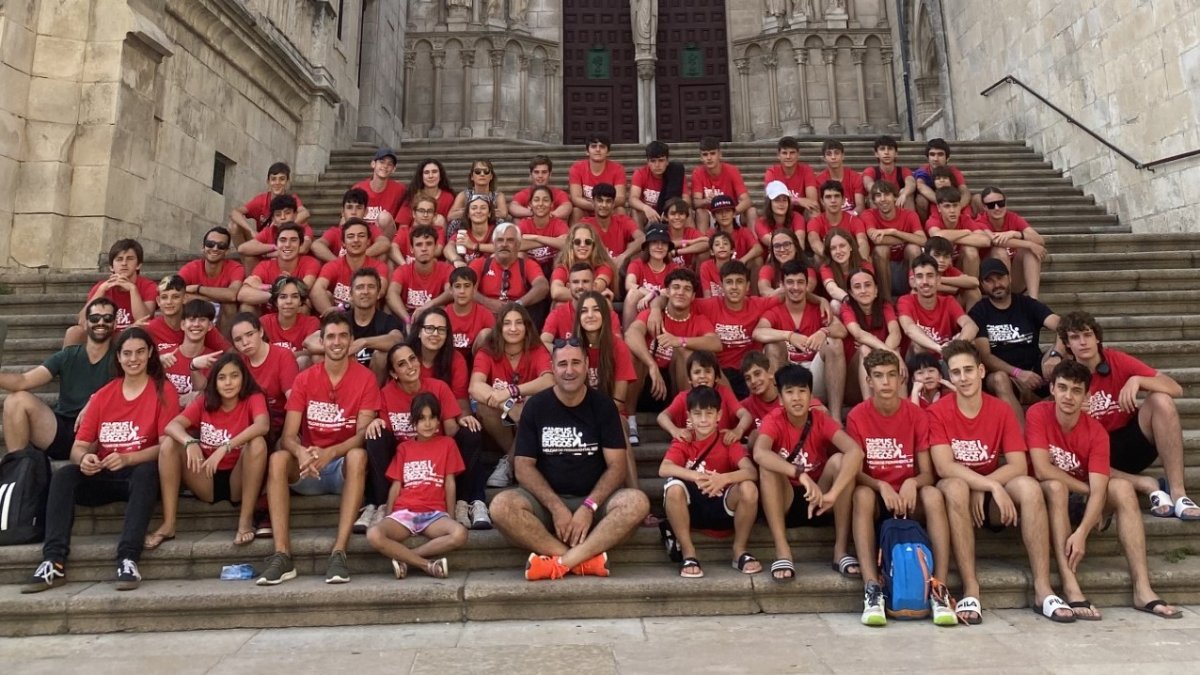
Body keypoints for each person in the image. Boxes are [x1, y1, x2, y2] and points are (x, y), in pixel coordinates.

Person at [21, 327, 179, 593]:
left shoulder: (163, 391)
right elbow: (78, 447)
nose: (133, 359)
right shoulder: (104, 394)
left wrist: (129, 458)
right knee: (64, 475)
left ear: (150, 353)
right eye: (127, 353)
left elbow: (167, 448)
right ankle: (53, 560)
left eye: (140, 352)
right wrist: (85, 458)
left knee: (147, 471)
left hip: (139, 475)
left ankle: (128, 558)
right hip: (104, 472)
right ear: (118, 357)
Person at [930, 340, 1073, 624]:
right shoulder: (938, 412)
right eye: (956, 372)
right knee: (957, 486)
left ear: (982, 371)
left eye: (969, 370)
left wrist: (989, 485)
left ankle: (1043, 589)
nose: (963, 378)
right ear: (949, 377)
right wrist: (988, 485)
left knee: (1030, 487)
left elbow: (1019, 464)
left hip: (987, 496)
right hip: (954, 495)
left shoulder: (1001, 409)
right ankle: (971, 588)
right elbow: (945, 467)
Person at [1029, 360, 1183, 620]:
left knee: (1122, 488)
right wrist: (1086, 490)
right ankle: (1070, 585)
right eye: (1063, 388)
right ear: (1052, 389)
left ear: (1086, 396)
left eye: (1076, 390)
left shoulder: (1096, 432)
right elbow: (1043, 470)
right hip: (1048, 498)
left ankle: (1142, 588)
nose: (1068, 396)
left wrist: (1081, 533)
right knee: (1055, 487)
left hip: (1084, 499)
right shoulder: (1037, 414)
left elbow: (1100, 489)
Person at [488, 339, 651, 580]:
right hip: (545, 504)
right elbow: (522, 468)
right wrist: (555, 507)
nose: (569, 370)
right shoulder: (536, 407)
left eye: (576, 362)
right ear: (553, 368)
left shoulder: (604, 406)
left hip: (593, 503)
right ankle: (582, 560)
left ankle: (562, 562)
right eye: (562, 364)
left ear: (586, 365)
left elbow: (617, 466)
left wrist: (589, 507)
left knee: (637, 502)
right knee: (501, 506)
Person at [257, 312, 380, 586]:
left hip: (340, 467)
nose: (337, 342)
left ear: (351, 340)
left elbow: (362, 435)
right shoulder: (305, 378)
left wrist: (332, 453)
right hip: (307, 463)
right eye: (331, 337)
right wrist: (301, 452)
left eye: (343, 336)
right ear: (322, 342)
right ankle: (282, 555)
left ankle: (339, 551)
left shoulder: (366, 378)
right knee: (278, 459)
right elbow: (289, 435)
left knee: (359, 456)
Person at [847, 349, 956, 626]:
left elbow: (928, 473)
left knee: (932, 495)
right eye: (879, 376)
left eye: (891, 376)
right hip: (877, 495)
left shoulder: (917, 415)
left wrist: (912, 481)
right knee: (861, 495)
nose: (886, 382)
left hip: (909, 498)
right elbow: (855, 472)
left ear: (900, 380)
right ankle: (872, 589)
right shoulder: (858, 416)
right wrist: (880, 484)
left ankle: (938, 587)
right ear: (869, 381)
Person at [1054, 311, 1198, 520]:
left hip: (1131, 441)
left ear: (1097, 338)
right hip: (1095, 452)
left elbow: (1175, 388)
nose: (1083, 342)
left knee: (1161, 400)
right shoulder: (1067, 375)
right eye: (1075, 337)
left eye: (1087, 335)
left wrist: (1138, 380)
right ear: (1067, 344)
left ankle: (1178, 493)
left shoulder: (1116, 360)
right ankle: (1147, 485)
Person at [752, 364, 864, 581]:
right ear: (781, 397)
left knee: (841, 460)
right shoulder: (774, 419)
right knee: (768, 466)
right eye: (790, 392)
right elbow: (759, 453)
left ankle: (840, 551)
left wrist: (833, 494)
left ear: (811, 395)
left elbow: (855, 451)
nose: (797, 398)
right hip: (787, 498)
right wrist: (799, 474)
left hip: (820, 498)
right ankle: (782, 551)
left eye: (802, 391)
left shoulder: (820, 419)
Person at [146, 352, 269, 548]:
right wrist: (189, 442)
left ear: (243, 378)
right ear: (214, 381)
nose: (228, 383)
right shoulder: (205, 400)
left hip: (239, 478)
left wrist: (225, 448)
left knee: (258, 443)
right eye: (222, 377)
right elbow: (172, 426)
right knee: (170, 444)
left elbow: (263, 425)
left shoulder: (253, 397)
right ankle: (169, 524)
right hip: (207, 478)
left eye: (234, 376)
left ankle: (245, 522)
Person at [363, 343, 479, 531]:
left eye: (412, 359)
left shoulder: (438, 387)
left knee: (471, 432)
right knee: (375, 435)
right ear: (393, 373)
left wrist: (464, 421)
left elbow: (450, 430)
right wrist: (376, 422)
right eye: (402, 364)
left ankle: (463, 502)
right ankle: (381, 505)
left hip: (436, 453)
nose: (410, 366)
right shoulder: (385, 394)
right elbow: (386, 435)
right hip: (404, 454)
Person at [660, 386, 761, 578]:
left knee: (749, 488)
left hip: (721, 504)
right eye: (698, 414)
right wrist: (698, 477)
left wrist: (723, 479)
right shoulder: (685, 439)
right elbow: (664, 468)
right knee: (673, 487)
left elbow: (751, 471)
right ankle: (689, 554)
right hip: (692, 508)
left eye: (709, 413)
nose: (704, 419)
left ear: (719, 415)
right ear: (689, 416)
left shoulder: (727, 440)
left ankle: (739, 551)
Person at [366, 392, 468, 580]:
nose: (427, 424)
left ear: (439, 420)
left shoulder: (448, 444)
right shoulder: (404, 448)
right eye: (421, 419)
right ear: (414, 422)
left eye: (432, 418)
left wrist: (451, 516)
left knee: (460, 534)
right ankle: (427, 565)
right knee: (373, 534)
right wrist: (389, 515)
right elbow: (396, 486)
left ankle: (406, 559)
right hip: (405, 512)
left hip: (434, 514)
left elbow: (450, 483)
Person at [0, 297, 115, 458]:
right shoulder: (68, 356)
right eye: (95, 318)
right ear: (86, 323)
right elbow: (24, 380)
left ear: (115, 324)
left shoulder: (121, 358)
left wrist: (95, 400)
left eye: (107, 318)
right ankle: (17, 469)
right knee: (15, 400)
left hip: (97, 433)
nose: (101, 323)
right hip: (61, 429)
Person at [406, 309, 488, 527]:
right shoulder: (408, 356)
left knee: (471, 433)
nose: (435, 334)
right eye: (430, 328)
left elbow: (461, 400)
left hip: (444, 424)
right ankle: (377, 505)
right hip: (410, 425)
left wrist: (465, 418)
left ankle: (468, 502)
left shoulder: (455, 359)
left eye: (441, 329)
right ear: (419, 332)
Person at [625, 268, 721, 441]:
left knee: (685, 354)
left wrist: (680, 341)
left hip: (675, 386)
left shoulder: (698, 319)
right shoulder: (654, 314)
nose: (681, 292)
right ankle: (630, 421)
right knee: (635, 355)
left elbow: (715, 343)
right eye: (676, 287)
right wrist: (651, 365)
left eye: (687, 289)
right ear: (667, 292)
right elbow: (631, 334)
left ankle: (685, 421)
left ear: (693, 296)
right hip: (645, 383)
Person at [470, 303, 554, 489]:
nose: (513, 328)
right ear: (500, 328)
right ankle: (520, 455)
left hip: (532, 417)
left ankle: (509, 462)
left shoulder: (537, 349)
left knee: (536, 401)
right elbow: (475, 387)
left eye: (518, 323)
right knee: (484, 404)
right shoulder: (488, 351)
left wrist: (511, 392)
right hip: (503, 423)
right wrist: (509, 406)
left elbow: (550, 381)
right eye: (507, 323)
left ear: (527, 327)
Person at [753, 259, 847, 420]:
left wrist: (824, 331)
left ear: (806, 285)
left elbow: (841, 330)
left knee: (835, 343)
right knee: (772, 346)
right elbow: (758, 332)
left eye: (800, 282)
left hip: (816, 377)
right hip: (788, 378)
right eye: (790, 282)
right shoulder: (775, 311)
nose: (795, 288)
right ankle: (780, 416)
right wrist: (789, 335)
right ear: (781, 285)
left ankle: (835, 419)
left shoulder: (819, 308)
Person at [969, 258, 1060, 423]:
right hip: (1006, 376)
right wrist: (1018, 373)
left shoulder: (1027, 304)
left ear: (1009, 278)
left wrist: (1055, 355)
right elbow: (985, 356)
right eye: (989, 280)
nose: (996, 284)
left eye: (1000, 278)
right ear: (982, 285)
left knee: (1068, 352)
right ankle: (1021, 441)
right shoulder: (979, 311)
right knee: (999, 378)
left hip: (1036, 370)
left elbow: (1063, 326)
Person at [573, 292, 639, 486]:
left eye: (596, 310)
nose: (590, 315)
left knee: (617, 424)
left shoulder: (618, 347)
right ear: (578, 317)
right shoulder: (572, 348)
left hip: (611, 414)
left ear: (605, 314)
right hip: (576, 415)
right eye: (584, 311)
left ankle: (637, 496)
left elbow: (618, 403)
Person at [303, 268, 403, 383]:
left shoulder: (387, 320)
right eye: (360, 287)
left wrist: (363, 342)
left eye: (371, 287)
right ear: (351, 294)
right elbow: (309, 342)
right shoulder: (341, 319)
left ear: (378, 293)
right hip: (341, 379)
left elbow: (397, 339)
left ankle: (372, 396)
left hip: (371, 382)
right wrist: (341, 350)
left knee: (382, 355)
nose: (365, 292)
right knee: (317, 356)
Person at [65, 239, 157, 345]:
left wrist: (133, 289)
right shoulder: (101, 287)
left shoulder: (148, 286)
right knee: (74, 332)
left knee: (139, 330)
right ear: (111, 267)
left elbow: (144, 321)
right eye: (119, 259)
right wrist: (101, 291)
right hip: (105, 337)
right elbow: (82, 321)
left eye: (130, 259)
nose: (124, 263)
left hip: (133, 339)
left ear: (138, 265)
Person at [657, 350, 753, 446]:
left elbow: (745, 415)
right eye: (697, 372)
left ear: (716, 377)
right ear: (689, 379)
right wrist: (675, 431)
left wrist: (738, 430)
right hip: (693, 448)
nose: (702, 376)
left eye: (707, 371)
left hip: (720, 446)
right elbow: (662, 417)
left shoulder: (724, 393)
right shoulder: (683, 397)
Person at [229, 312, 298, 444]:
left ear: (260, 332)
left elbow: (293, 401)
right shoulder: (238, 362)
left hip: (279, 423)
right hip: (249, 424)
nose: (245, 342)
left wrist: (286, 439)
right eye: (238, 339)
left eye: (250, 335)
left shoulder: (283, 356)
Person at [898, 254, 979, 357]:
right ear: (913, 281)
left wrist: (957, 343)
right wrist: (938, 348)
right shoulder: (905, 301)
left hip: (947, 357)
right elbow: (909, 328)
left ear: (938, 279)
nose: (925, 282)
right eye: (919, 276)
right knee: (917, 345)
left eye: (930, 276)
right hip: (920, 363)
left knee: (970, 341)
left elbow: (971, 326)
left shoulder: (948, 301)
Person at [840, 267, 902, 402]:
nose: (863, 291)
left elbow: (896, 333)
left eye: (867, 285)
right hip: (853, 382)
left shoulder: (885, 306)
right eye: (857, 287)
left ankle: (901, 408)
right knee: (865, 349)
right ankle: (869, 406)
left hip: (881, 376)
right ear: (851, 292)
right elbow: (859, 334)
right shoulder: (847, 308)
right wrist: (892, 355)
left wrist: (892, 354)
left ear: (876, 290)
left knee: (895, 349)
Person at [976, 187, 1047, 299]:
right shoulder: (980, 222)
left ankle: (1034, 301)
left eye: (1000, 203)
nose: (997, 208)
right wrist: (1029, 244)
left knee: (1029, 252)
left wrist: (1016, 233)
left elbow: (1039, 240)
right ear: (984, 207)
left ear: (1005, 203)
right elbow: (996, 241)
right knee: (999, 251)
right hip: (990, 282)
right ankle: (1006, 300)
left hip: (1014, 279)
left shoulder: (1013, 217)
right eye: (991, 205)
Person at [311, 219, 390, 316]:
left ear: (368, 241)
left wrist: (344, 307)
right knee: (326, 294)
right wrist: (335, 318)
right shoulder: (333, 265)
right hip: (338, 321)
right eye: (350, 236)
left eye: (361, 236)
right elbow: (316, 290)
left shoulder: (378, 266)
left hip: (367, 319)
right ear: (343, 243)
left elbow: (379, 291)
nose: (356, 240)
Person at [862, 180, 925, 301]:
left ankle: (914, 297)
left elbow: (922, 240)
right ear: (874, 201)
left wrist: (894, 232)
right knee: (881, 249)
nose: (883, 199)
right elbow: (876, 240)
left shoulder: (910, 215)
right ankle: (886, 301)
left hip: (905, 267)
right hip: (880, 267)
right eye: (878, 196)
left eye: (886, 194)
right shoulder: (868, 214)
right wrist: (907, 238)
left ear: (895, 197)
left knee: (914, 249)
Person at [237, 224, 321, 311]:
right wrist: (273, 294)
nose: (288, 245)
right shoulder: (265, 266)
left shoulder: (310, 262)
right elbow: (242, 294)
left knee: (303, 308)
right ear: (276, 244)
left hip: (294, 312)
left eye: (293, 240)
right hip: (268, 316)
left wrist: (262, 287)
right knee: (246, 306)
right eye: (283, 240)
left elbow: (303, 289)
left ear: (300, 244)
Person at [468, 223, 549, 313]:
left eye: (510, 240)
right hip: (486, 315)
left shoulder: (527, 264)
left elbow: (542, 286)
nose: (504, 244)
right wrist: (488, 303)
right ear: (494, 244)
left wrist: (517, 304)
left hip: (517, 315)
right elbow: (467, 288)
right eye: (500, 240)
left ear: (518, 245)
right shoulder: (480, 263)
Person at [177, 226, 244, 329]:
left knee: (230, 305)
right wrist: (217, 298)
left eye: (221, 246)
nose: (215, 248)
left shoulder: (235, 268)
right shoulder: (192, 267)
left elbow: (232, 295)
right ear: (203, 247)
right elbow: (174, 290)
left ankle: (224, 345)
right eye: (210, 244)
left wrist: (197, 289)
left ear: (227, 251)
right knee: (179, 301)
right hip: (196, 314)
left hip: (223, 317)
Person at [228, 161, 309, 244]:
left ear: (287, 182)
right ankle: (244, 256)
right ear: (268, 182)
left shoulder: (292, 199)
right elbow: (235, 212)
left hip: (283, 240)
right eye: (273, 179)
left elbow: (305, 213)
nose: (277, 183)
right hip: (263, 240)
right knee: (233, 226)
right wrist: (251, 231)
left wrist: (284, 227)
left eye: (282, 179)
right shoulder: (261, 200)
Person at [387, 225, 453, 325]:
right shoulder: (403, 270)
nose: (424, 249)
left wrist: (427, 306)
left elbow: (451, 292)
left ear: (435, 247)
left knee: (444, 308)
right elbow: (391, 294)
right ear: (412, 249)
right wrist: (407, 320)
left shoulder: (446, 269)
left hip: (434, 320)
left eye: (429, 244)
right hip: (408, 318)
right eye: (419, 245)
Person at [161, 300, 223, 405]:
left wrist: (194, 369)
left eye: (202, 320)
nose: (196, 324)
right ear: (183, 325)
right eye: (192, 319)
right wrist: (155, 363)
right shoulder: (163, 355)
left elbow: (210, 397)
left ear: (210, 326)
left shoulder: (216, 360)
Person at [691, 136, 756, 232]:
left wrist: (732, 212)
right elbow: (696, 202)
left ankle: (754, 243)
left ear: (720, 154)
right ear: (701, 157)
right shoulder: (698, 173)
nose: (709, 158)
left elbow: (746, 200)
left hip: (732, 214)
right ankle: (703, 244)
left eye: (712, 154)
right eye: (705, 155)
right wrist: (706, 201)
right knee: (700, 212)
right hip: (712, 216)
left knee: (751, 211)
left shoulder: (732, 170)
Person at [236, 195, 316, 271]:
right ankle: (253, 283)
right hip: (274, 270)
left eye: (287, 213)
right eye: (278, 215)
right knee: (250, 257)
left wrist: (271, 254)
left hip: (297, 271)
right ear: (273, 219)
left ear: (295, 215)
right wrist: (274, 247)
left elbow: (303, 249)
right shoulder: (269, 231)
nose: (283, 217)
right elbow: (242, 248)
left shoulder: (304, 229)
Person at [311, 188, 390, 262]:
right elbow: (316, 245)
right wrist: (341, 262)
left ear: (366, 212)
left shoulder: (371, 229)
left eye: (359, 208)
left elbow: (384, 243)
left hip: (364, 272)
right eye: (349, 207)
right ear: (342, 212)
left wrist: (357, 256)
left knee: (383, 254)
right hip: (341, 271)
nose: (354, 212)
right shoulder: (335, 231)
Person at [926, 187, 989, 280]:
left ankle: (970, 289)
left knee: (970, 250)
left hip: (960, 265)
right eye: (947, 206)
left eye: (955, 205)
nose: (952, 210)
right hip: (938, 268)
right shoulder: (934, 220)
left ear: (960, 206)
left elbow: (986, 240)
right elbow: (937, 236)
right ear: (939, 208)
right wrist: (966, 232)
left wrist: (951, 237)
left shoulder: (965, 220)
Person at [582, 182, 644, 275]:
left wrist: (623, 256)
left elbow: (642, 238)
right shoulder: (585, 224)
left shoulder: (623, 221)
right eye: (600, 200)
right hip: (593, 272)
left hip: (618, 271)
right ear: (593, 202)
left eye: (608, 201)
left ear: (613, 204)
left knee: (635, 251)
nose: (604, 205)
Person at [623, 227, 680, 328]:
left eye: (664, 243)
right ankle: (628, 335)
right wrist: (651, 294)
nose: (659, 247)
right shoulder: (637, 264)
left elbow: (672, 290)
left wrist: (652, 295)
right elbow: (629, 284)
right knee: (633, 293)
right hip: (641, 306)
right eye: (654, 242)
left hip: (664, 308)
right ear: (648, 246)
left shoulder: (674, 268)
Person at [259, 277, 320, 366]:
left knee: (303, 360)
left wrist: (279, 357)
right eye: (283, 297)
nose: (289, 301)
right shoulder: (264, 322)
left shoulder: (311, 322)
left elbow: (310, 352)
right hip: (270, 370)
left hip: (297, 372)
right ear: (276, 301)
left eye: (295, 296)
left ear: (300, 301)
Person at [548, 224, 616, 302]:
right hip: (570, 309)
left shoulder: (604, 267)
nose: (583, 245)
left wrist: (570, 291)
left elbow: (597, 288)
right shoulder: (563, 268)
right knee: (559, 304)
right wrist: (593, 294)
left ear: (594, 245)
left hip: (594, 309)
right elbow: (556, 292)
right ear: (571, 245)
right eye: (577, 242)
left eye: (588, 242)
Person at [629, 140, 691, 226]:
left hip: (670, 214)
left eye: (661, 160)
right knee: (635, 211)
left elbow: (686, 199)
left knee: (688, 212)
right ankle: (641, 238)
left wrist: (673, 211)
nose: (657, 165)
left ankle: (694, 237)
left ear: (667, 161)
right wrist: (646, 208)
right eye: (653, 161)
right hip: (648, 216)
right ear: (648, 162)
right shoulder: (640, 173)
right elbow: (633, 199)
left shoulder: (676, 174)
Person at [568, 134, 627, 223]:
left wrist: (603, 206)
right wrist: (598, 205)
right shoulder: (577, 168)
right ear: (587, 151)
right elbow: (576, 198)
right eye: (593, 146)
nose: (598, 149)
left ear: (608, 152)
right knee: (576, 211)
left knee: (620, 210)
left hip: (608, 210)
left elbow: (620, 198)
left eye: (602, 147)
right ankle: (576, 236)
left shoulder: (618, 169)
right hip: (586, 210)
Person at [443, 267, 495, 364]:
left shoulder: (485, 314)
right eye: (457, 286)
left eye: (467, 286)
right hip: (448, 362)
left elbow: (496, 345)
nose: (462, 291)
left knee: (487, 334)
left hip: (475, 361)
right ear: (451, 290)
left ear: (474, 289)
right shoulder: (444, 314)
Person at [806, 181, 868, 261]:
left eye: (837, 196)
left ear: (843, 200)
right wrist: (835, 257)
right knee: (817, 258)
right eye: (828, 197)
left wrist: (862, 258)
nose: (833, 200)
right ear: (822, 201)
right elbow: (814, 242)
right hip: (829, 258)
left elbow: (863, 241)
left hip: (851, 259)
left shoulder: (854, 220)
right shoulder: (815, 222)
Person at [351, 147, 406, 236]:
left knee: (384, 218)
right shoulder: (358, 188)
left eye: (390, 164)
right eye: (382, 162)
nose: (385, 166)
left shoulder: (400, 190)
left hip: (386, 240)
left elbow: (405, 222)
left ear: (394, 169)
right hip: (363, 236)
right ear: (373, 164)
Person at [516, 185, 569, 276]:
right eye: (536, 200)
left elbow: (567, 243)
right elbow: (515, 245)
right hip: (531, 270)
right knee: (519, 254)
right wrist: (552, 241)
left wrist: (535, 237)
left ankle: (556, 284)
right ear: (530, 205)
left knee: (563, 254)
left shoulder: (558, 224)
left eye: (545, 200)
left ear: (552, 204)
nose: (540, 204)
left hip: (554, 267)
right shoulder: (524, 224)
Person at [914, 138, 970, 223]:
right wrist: (943, 204)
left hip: (952, 202)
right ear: (927, 158)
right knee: (920, 200)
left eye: (940, 154)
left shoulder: (953, 171)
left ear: (947, 158)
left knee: (977, 199)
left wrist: (956, 207)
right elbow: (921, 186)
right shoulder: (923, 171)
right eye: (932, 155)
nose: (935, 159)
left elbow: (964, 191)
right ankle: (924, 230)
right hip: (933, 203)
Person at [820, 228, 872, 313]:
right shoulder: (826, 268)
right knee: (834, 304)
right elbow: (832, 289)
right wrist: (848, 299)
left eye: (842, 246)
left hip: (865, 304)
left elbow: (869, 290)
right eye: (833, 248)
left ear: (850, 247)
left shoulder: (865, 265)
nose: (838, 251)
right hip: (844, 304)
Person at [763, 135, 819, 215]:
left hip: (802, 213)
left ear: (798, 155)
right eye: (784, 153)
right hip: (779, 213)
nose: (788, 157)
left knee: (814, 210)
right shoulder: (772, 172)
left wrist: (789, 200)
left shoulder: (806, 170)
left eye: (792, 153)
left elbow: (812, 201)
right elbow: (769, 198)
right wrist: (798, 200)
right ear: (778, 155)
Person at [509, 155, 573, 221]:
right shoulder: (524, 193)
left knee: (563, 219)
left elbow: (567, 206)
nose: (540, 176)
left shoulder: (559, 193)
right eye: (536, 172)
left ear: (550, 174)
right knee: (516, 219)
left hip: (552, 228)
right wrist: (535, 213)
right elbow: (512, 207)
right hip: (529, 229)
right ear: (530, 175)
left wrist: (548, 215)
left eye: (544, 172)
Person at [396, 158, 455, 228]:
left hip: (439, 235)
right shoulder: (413, 195)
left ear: (440, 176)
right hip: (415, 235)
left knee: (439, 219)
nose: (431, 176)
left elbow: (451, 225)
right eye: (426, 172)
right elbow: (403, 225)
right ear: (421, 177)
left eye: (434, 172)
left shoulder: (448, 197)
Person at [758, 228, 816, 299]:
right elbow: (764, 291)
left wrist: (780, 291)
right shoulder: (767, 269)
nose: (782, 249)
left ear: (796, 247)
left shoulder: (808, 270)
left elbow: (805, 291)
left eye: (786, 244)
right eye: (777, 246)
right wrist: (783, 291)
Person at [861, 136, 916, 211]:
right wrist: (888, 198)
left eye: (890, 149)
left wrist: (904, 194)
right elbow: (869, 185)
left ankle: (910, 222)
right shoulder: (871, 171)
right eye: (882, 149)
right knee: (873, 195)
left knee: (907, 193)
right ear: (876, 154)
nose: (886, 152)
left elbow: (911, 183)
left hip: (899, 203)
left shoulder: (903, 170)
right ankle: (876, 222)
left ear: (896, 153)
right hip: (881, 202)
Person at [443, 194, 498, 268]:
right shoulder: (463, 232)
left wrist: (474, 246)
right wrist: (456, 260)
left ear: (489, 213)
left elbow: (505, 247)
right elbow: (448, 248)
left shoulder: (497, 231)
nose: (478, 211)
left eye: (483, 208)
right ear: (468, 214)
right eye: (474, 208)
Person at [709, 194, 763, 269]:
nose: (724, 215)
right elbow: (703, 245)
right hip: (719, 270)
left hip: (741, 270)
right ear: (714, 216)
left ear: (734, 214)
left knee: (758, 260)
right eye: (719, 212)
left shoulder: (744, 231)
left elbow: (758, 248)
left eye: (727, 211)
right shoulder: (711, 233)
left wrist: (742, 261)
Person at [447, 159, 508, 224]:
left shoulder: (498, 196)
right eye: (477, 171)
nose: (482, 174)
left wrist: (468, 211)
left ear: (491, 176)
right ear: (472, 177)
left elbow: (503, 214)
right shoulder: (463, 195)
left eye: (486, 171)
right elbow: (450, 216)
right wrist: (488, 212)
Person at [815, 139, 866, 214]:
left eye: (837, 153)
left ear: (843, 156)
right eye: (829, 154)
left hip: (852, 218)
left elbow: (860, 206)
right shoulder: (819, 180)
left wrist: (850, 216)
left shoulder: (855, 177)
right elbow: (822, 207)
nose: (833, 157)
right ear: (824, 158)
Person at [755, 180, 807, 250]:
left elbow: (800, 242)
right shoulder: (761, 223)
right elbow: (773, 242)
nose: (781, 204)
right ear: (769, 203)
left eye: (784, 200)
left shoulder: (797, 217)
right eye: (777, 200)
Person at [661, 198, 707, 269]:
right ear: (666, 217)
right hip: (667, 274)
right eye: (673, 214)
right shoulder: (661, 231)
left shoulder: (691, 232)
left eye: (681, 214)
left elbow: (707, 243)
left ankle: (698, 279)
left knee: (704, 253)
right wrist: (689, 242)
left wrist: (677, 252)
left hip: (689, 274)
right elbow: (660, 246)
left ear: (686, 217)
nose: (677, 217)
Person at [698, 230, 735, 298]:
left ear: (732, 250)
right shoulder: (706, 266)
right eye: (717, 244)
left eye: (725, 244)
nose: (722, 247)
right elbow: (707, 295)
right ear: (712, 252)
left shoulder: (737, 266)